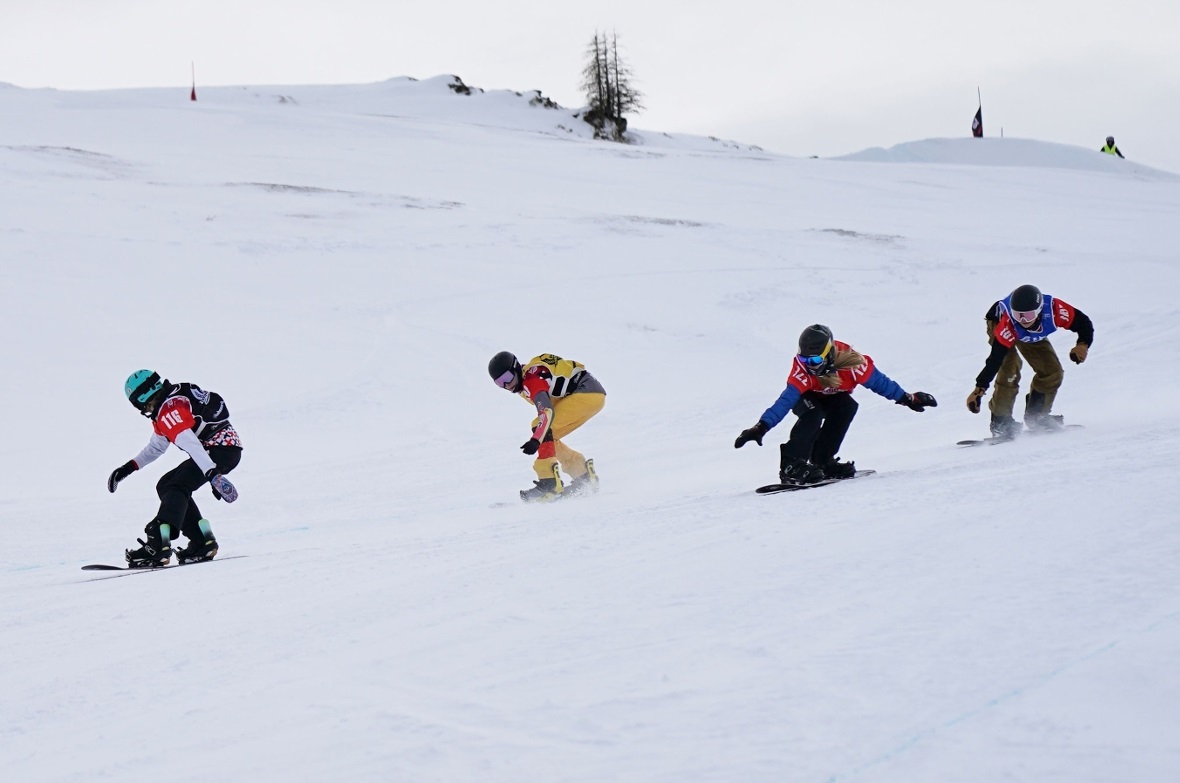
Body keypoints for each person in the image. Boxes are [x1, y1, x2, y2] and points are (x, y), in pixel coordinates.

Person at [733, 325, 938, 484]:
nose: (808, 366)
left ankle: (822, 460)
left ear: (829, 355)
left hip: (831, 397)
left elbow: (880, 383)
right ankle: (791, 465)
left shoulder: (853, 363)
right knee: (813, 414)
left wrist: (908, 399)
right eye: (802, 360)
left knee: (847, 406)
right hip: (808, 398)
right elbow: (785, 401)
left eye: (813, 361)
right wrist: (761, 427)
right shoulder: (802, 372)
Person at [107, 370, 242, 567]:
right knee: (166, 484)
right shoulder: (172, 401)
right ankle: (201, 541)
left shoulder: (168, 412)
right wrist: (127, 468)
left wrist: (211, 473)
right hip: (223, 449)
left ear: (141, 398)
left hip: (217, 452)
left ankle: (158, 543)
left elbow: (190, 443)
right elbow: (156, 447)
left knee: (176, 486)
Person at [966, 285, 1093, 439]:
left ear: (1040, 311)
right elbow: (995, 359)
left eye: (1028, 315)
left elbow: (1084, 323)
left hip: (1033, 332)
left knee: (1052, 371)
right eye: (1019, 315)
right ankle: (1000, 422)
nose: (1024, 320)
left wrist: (1082, 344)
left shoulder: (1055, 311)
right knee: (1010, 367)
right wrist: (979, 389)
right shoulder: (1009, 323)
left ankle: (1037, 416)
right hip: (998, 323)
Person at [488, 351, 606, 502]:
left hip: (587, 393)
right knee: (549, 437)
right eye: (499, 383)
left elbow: (547, 412)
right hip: (590, 394)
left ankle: (548, 482)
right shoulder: (527, 379)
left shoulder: (532, 380)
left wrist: (536, 439)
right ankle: (583, 476)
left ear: (516, 368)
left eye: (507, 378)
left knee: (540, 427)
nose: (507, 385)